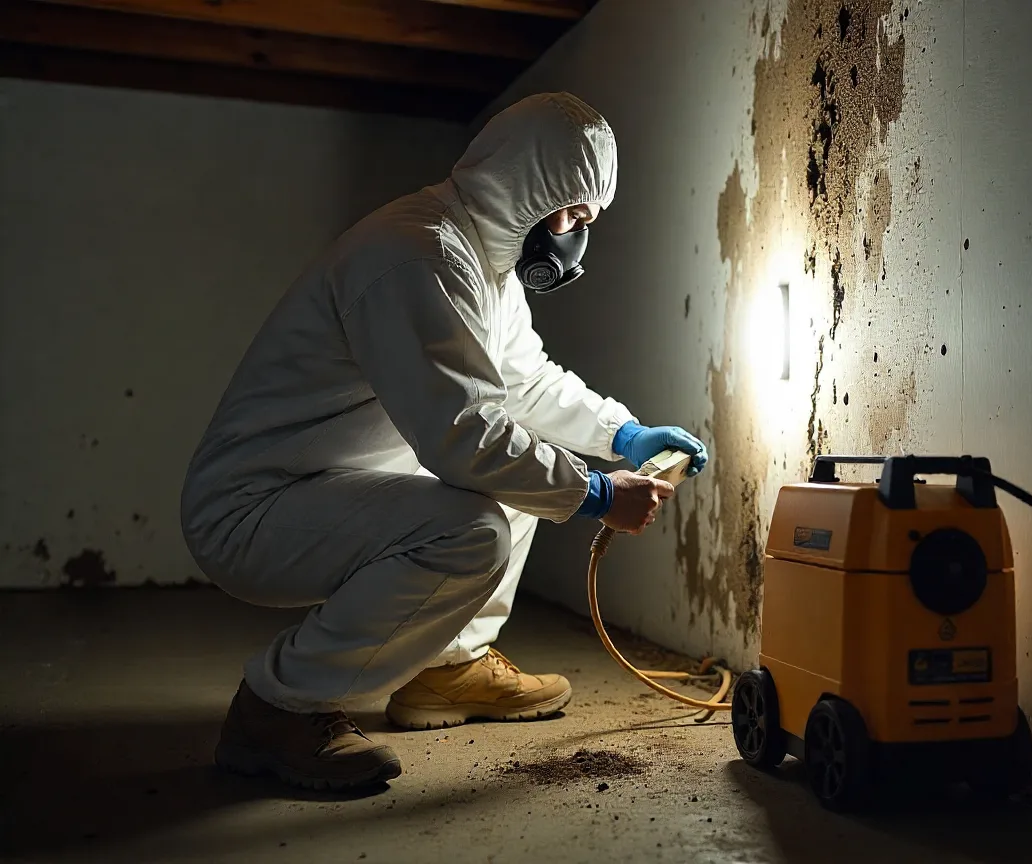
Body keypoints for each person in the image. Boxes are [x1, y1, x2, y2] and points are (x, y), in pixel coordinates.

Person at [179, 92, 709, 792]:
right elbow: (463, 434)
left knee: (519, 475)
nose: (576, 236)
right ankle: (279, 706)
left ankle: (448, 669)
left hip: (323, 482)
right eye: (575, 213)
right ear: (531, 188)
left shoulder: (480, 263)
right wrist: (596, 494)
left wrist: (624, 434)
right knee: (473, 528)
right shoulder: (414, 255)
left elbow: (524, 385)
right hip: (252, 510)